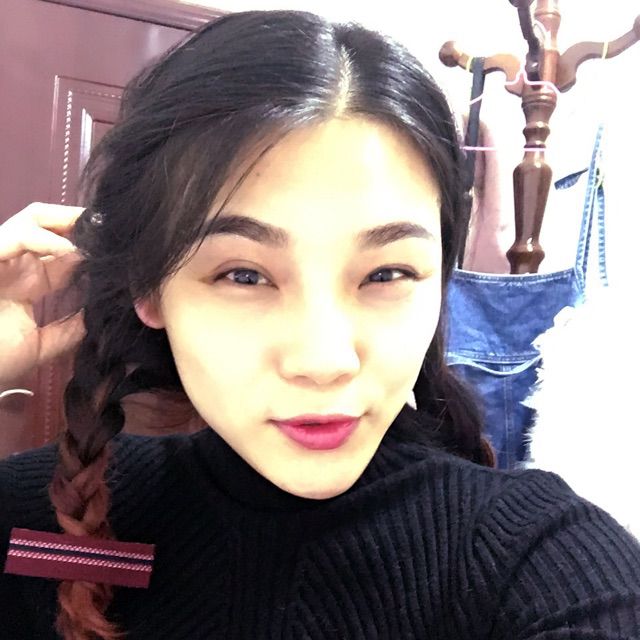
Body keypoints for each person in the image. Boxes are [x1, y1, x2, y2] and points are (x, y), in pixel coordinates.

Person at [0, 9, 638, 640]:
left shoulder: (541, 557)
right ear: (150, 287)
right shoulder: (42, 526)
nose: (325, 360)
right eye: (244, 275)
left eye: (387, 273)